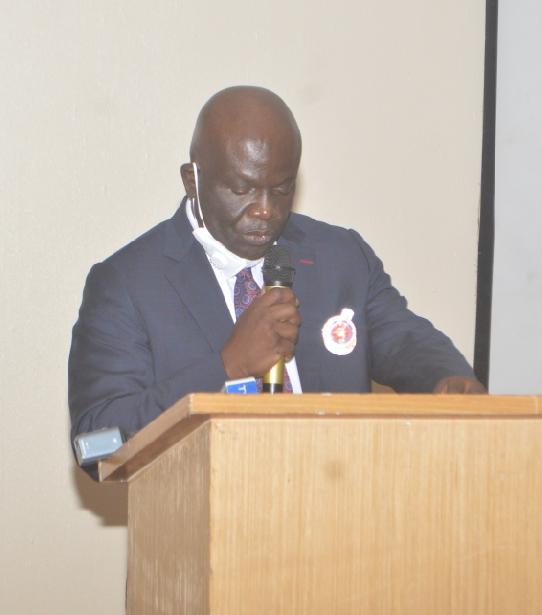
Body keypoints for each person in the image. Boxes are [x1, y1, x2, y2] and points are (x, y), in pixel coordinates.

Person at [69, 85, 484, 449]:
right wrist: (225, 368)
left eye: (281, 189)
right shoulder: (128, 284)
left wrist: (446, 377)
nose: (265, 210)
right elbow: (95, 444)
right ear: (192, 180)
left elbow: (406, 341)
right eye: (242, 189)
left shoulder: (340, 258)